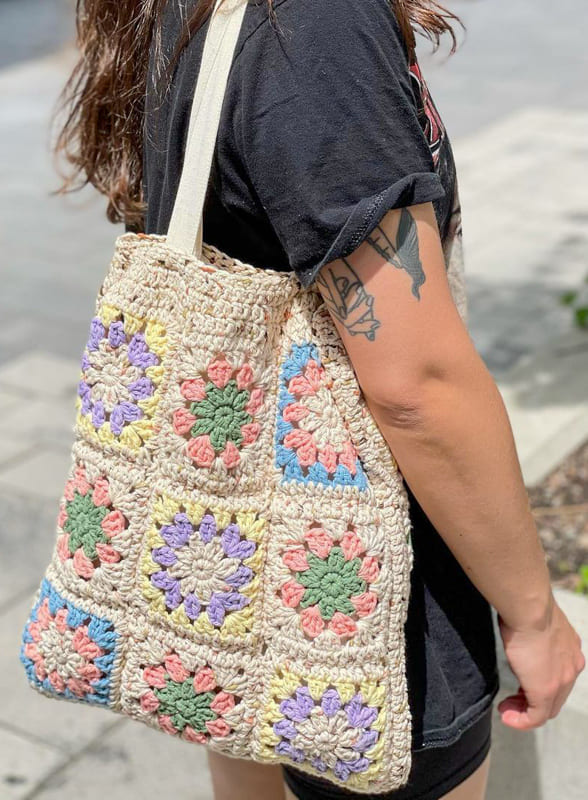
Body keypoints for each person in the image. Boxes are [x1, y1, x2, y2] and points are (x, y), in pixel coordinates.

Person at [55, 1, 585, 798]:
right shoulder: (315, 22)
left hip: (223, 596)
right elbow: (415, 385)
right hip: (367, 619)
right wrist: (535, 617)